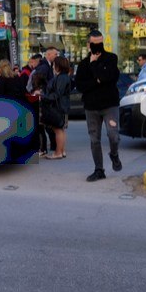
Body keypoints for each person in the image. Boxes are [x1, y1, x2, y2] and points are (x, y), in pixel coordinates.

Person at [75, 30, 122, 182]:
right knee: (94, 140)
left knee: (113, 135)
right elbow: (80, 86)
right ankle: (99, 170)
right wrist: (97, 81)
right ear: (89, 44)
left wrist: (95, 65)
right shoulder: (83, 64)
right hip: (91, 107)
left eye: (100, 43)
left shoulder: (111, 58)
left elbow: (109, 77)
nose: (98, 46)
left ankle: (114, 154)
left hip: (110, 105)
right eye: (95, 44)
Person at [42, 56, 72, 159]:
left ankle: (58, 152)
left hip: (58, 106)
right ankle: (61, 151)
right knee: (60, 129)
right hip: (61, 106)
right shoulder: (63, 77)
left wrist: (43, 97)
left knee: (58, 130)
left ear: (59, 65)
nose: (53, 66)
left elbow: (57, 93)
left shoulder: (61, 77)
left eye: (54, 65)